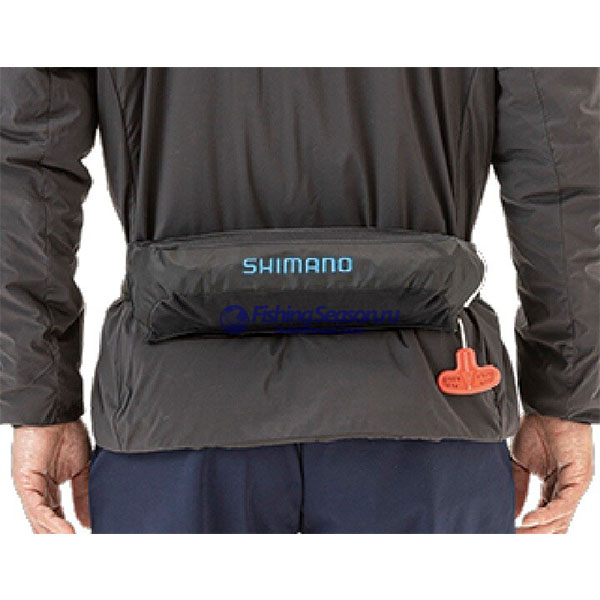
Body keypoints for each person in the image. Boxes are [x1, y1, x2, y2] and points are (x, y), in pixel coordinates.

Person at [1, 68, 597, 534]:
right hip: (425, 403)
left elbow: (28, 160)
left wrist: (39, 398)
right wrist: (564, 395)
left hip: (175, 409)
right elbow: (561, 163)